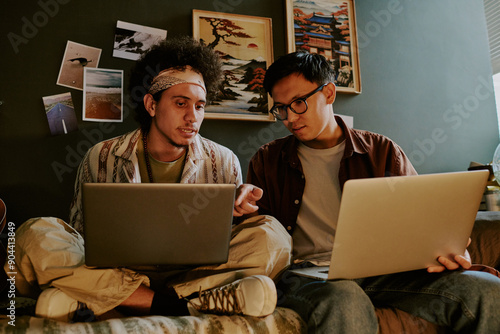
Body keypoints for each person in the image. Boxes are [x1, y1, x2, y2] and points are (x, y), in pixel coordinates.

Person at [9, 36, 291, 322]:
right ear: (151, 104)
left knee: (274, 237)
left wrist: (240, 210)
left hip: (191, 274)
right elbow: (80, 240)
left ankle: (109, 301)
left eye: (200, 106)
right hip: (117, 271)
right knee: (35, 234)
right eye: (181, 103)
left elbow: (227, 244)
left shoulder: (225, 161)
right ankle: (181, 306)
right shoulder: (101, 155)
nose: (192, 117)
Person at [246, 51, 500, 333]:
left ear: (328, 93)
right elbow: (257, 237)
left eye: (298, 103)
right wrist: (242, 211)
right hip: (307, 275)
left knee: (489, 291)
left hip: (382, 273)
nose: (290, 118)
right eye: (281, 108)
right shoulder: (267, 160)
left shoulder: (381, 151)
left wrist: (450, 248)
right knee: (345, 299)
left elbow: (422, 218)